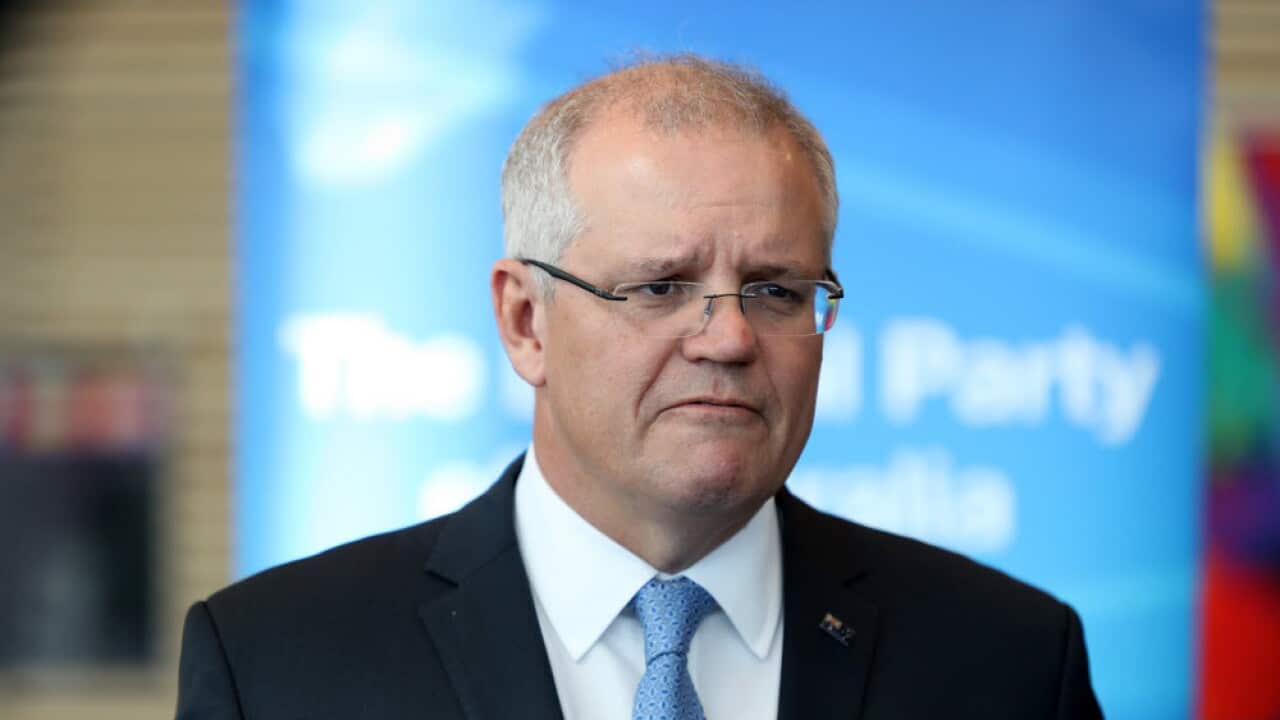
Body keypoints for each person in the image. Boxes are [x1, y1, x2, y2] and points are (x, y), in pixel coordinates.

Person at [176, 55, 1103, 719]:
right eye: (661, 287)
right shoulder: (278, 663)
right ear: (525, 322)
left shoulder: (1009, 659)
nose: (731, 337)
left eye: (777, 290)